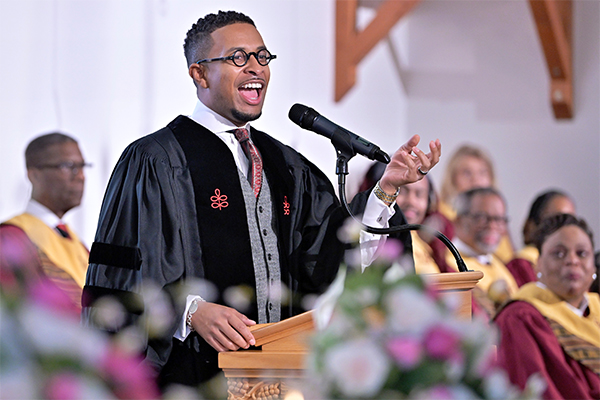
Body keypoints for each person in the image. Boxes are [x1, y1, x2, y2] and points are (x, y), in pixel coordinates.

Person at [82, 10, 442, 388]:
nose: (255, 68)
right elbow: (118, 277)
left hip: (280, 380)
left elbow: (333, 259)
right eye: (238, 57)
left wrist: (386, 189)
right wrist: (190, 312)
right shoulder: (155, 160)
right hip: (191, 380)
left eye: (262, 56)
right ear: (199, 73)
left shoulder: (285, 164)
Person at [494, 214, 600, 400]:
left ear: (593, 267)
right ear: (538, 264)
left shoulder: (596, 308)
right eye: (559, 253)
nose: (572, 261)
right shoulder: (521, 317)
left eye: (582, 253)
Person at [0, 133, 90, 314]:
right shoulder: (12, 235)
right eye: (68, 166)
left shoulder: (77, 243)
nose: (81, 176)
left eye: (82, 167)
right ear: (34, 175)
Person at [439, 144, 514, 264]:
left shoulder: (497, 217)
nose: (476, 180)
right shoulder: (441, 214)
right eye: (467, 173)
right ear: (452, 178)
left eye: (482, 173)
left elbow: (507, 259)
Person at [446, 187, 518, 313]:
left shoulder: (498, 264)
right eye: (482, 218)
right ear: (459, 220)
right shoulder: (448, 262)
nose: (492, 226)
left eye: (499, 219)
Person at [506, 189, 576, 287]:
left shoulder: (575, 265)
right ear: (532, 226)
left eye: (570, 221)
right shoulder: (521, 266)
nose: (565, 229)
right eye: (556, 221)